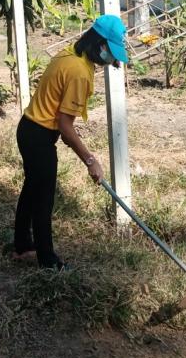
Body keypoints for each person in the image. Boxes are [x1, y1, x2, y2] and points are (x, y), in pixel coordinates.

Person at [13, 14, 128, 269]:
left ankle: (22, 246)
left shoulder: (71, 55)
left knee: (32, 189)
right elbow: (65, 126)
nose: (112, 60)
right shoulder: (79, 73)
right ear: (100, 44)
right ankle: (48, 261)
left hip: (29, 129)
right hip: (39, 137)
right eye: (111, 52)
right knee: (43, 199)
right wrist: (91, 160)